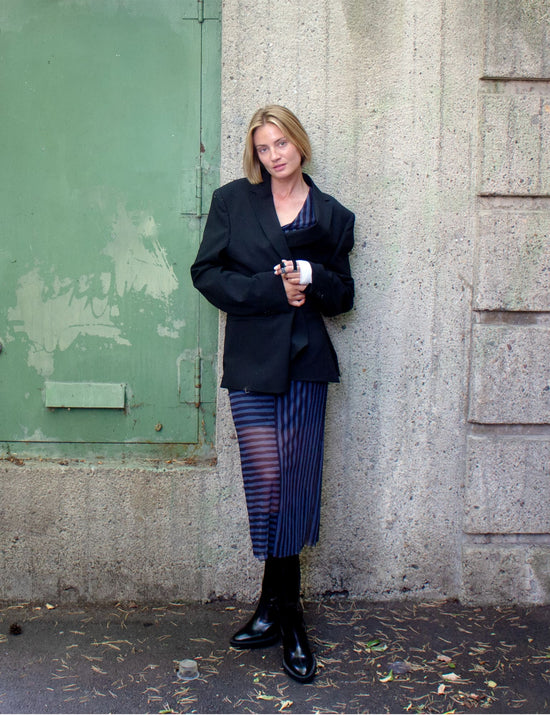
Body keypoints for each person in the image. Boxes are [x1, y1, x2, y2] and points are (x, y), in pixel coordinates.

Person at [190, 105, 354, 683]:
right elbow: (206, 274)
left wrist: (310, 277)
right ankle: (287, 610)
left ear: (299, 144)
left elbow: (343, 295)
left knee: (296, 482)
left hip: (306, 363)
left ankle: (280, 610)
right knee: (268, 484)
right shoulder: (233, 201)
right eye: (263, 147)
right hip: (254, 363)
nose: (274, 155)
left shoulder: (332, 215)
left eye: (281, 143)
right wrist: (271, 290)